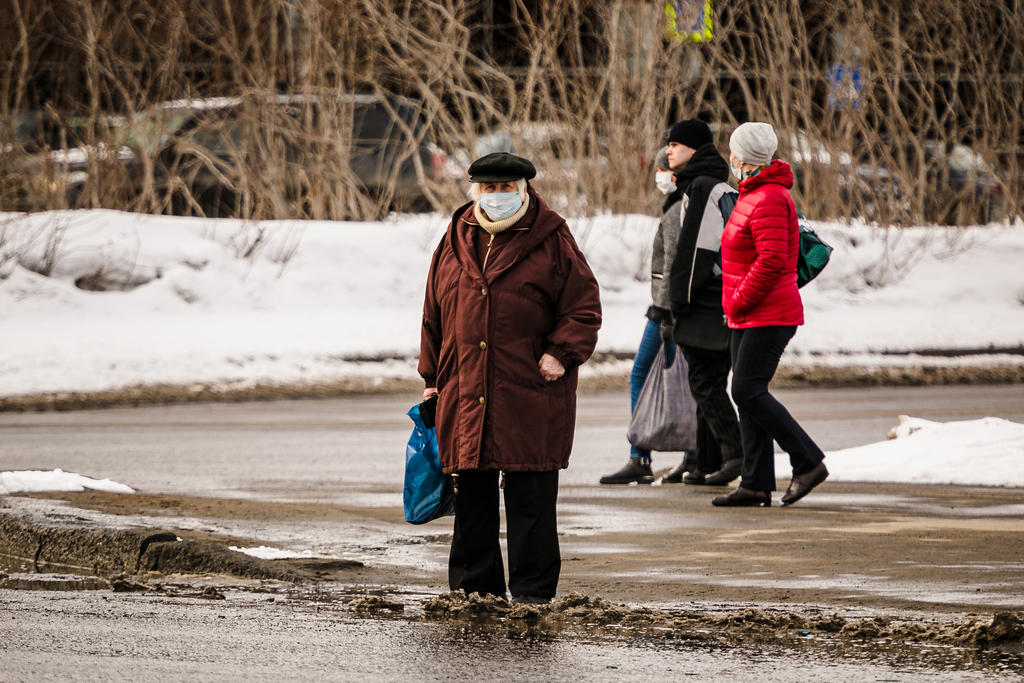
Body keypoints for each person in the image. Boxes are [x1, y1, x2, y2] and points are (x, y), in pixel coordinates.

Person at [419, 151, 602, 603]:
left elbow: (583, 306)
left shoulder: (553, 238)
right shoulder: (455, 237)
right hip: (464, 387)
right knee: (472, 499)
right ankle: (474, 590)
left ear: (524, 191)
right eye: (489, 188)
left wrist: (561, 354)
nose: (497, 196)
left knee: (531, 498)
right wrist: (431, 376)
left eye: (506, 188)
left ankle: (533, 595)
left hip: (530, 387)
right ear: (475, 191)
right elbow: (434, 313)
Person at [714, 122, 828, 507]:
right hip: (746, 312)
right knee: (748, 396)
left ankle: (808, 461)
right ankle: (756, 482)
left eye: (733, 152)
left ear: (743, 158)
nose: (730, 159)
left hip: (769, 313)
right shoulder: (752, 193)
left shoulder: (771, 198)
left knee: (746, 390)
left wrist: (738, 299)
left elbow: (772, 260)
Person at [599, 148, 697, 485]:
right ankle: (689, 455)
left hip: (669, 312)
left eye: (664, 168)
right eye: (656, 168)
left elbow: (673, 267)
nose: (659, 175)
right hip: (671, 309)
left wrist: (666, 313)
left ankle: (643, 456)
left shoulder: (682, 206)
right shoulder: (678, 204)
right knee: (684, 379)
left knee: (645, 373)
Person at [664, 119, 744, 487]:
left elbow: (695, 250)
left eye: (675, 145)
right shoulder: (711, 185)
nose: (668, 150)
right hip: (716, 299)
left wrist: (677, 301)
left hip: (707, 301)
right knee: (705, 383)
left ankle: (734, 454)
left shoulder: (703, 187)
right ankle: (706, 463)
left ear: (694, 150)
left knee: (706, 383)